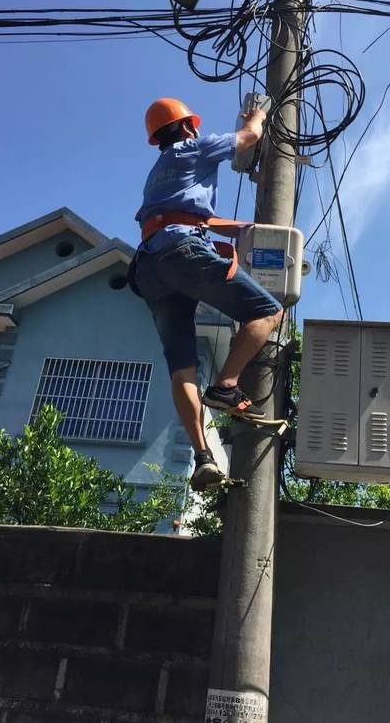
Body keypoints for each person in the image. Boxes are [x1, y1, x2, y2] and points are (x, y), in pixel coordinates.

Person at [131, 97, 283, 492]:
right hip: (181, 252)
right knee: (267, 312)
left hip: (149, 267)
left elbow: (188, 215)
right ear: (185, 127)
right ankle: (226, 386)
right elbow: (249, 137)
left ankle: (202, 458)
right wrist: (258, 116)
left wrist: (241, 228)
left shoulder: (159, 171)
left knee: (182, 366)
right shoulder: (193, 147)